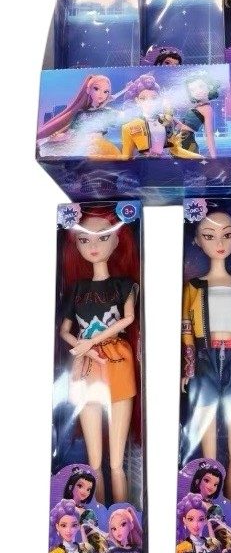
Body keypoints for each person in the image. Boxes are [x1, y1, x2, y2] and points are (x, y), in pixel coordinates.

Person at [60, 206, 140, 504]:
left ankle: (125, 515)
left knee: (116, 462)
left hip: (116, 358)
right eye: (84, 239)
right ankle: (95, 517)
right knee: (94, 461)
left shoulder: (124, 285)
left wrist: (90, 343)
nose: (93, 246)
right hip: (85, 365)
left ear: (118, 240)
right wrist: (82, 347)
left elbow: (128, 319)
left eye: (103, 237)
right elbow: (64, 331)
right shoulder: (76, 289)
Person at [181, 209, 231, 501]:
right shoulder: (193, 287)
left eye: (227, 235)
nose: (219, 243)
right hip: (205, 361)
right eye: (209, 236)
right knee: (209, 453)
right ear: (197, 240)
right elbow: (186, 329)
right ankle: (209, 507)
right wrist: (188, 367)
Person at [37, 74, 120, 158]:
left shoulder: (108, 112)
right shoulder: (81, 114)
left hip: (98, 146)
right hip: (82, 147)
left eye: (106, 92)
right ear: (88, 90)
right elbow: (69, 135)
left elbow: (123, 117)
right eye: (96, 89)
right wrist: (52, 138)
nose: (101, 94)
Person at [177, 73, 219, 158]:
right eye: (192, 90)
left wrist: (213, 156)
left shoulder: (207, 109)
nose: (197, 91)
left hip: (186, 141)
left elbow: (209, 134)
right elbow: (184, 125)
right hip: (179, 139)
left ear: (210, 86)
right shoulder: (197, 106)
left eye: (201, 86)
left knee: (189, 163)